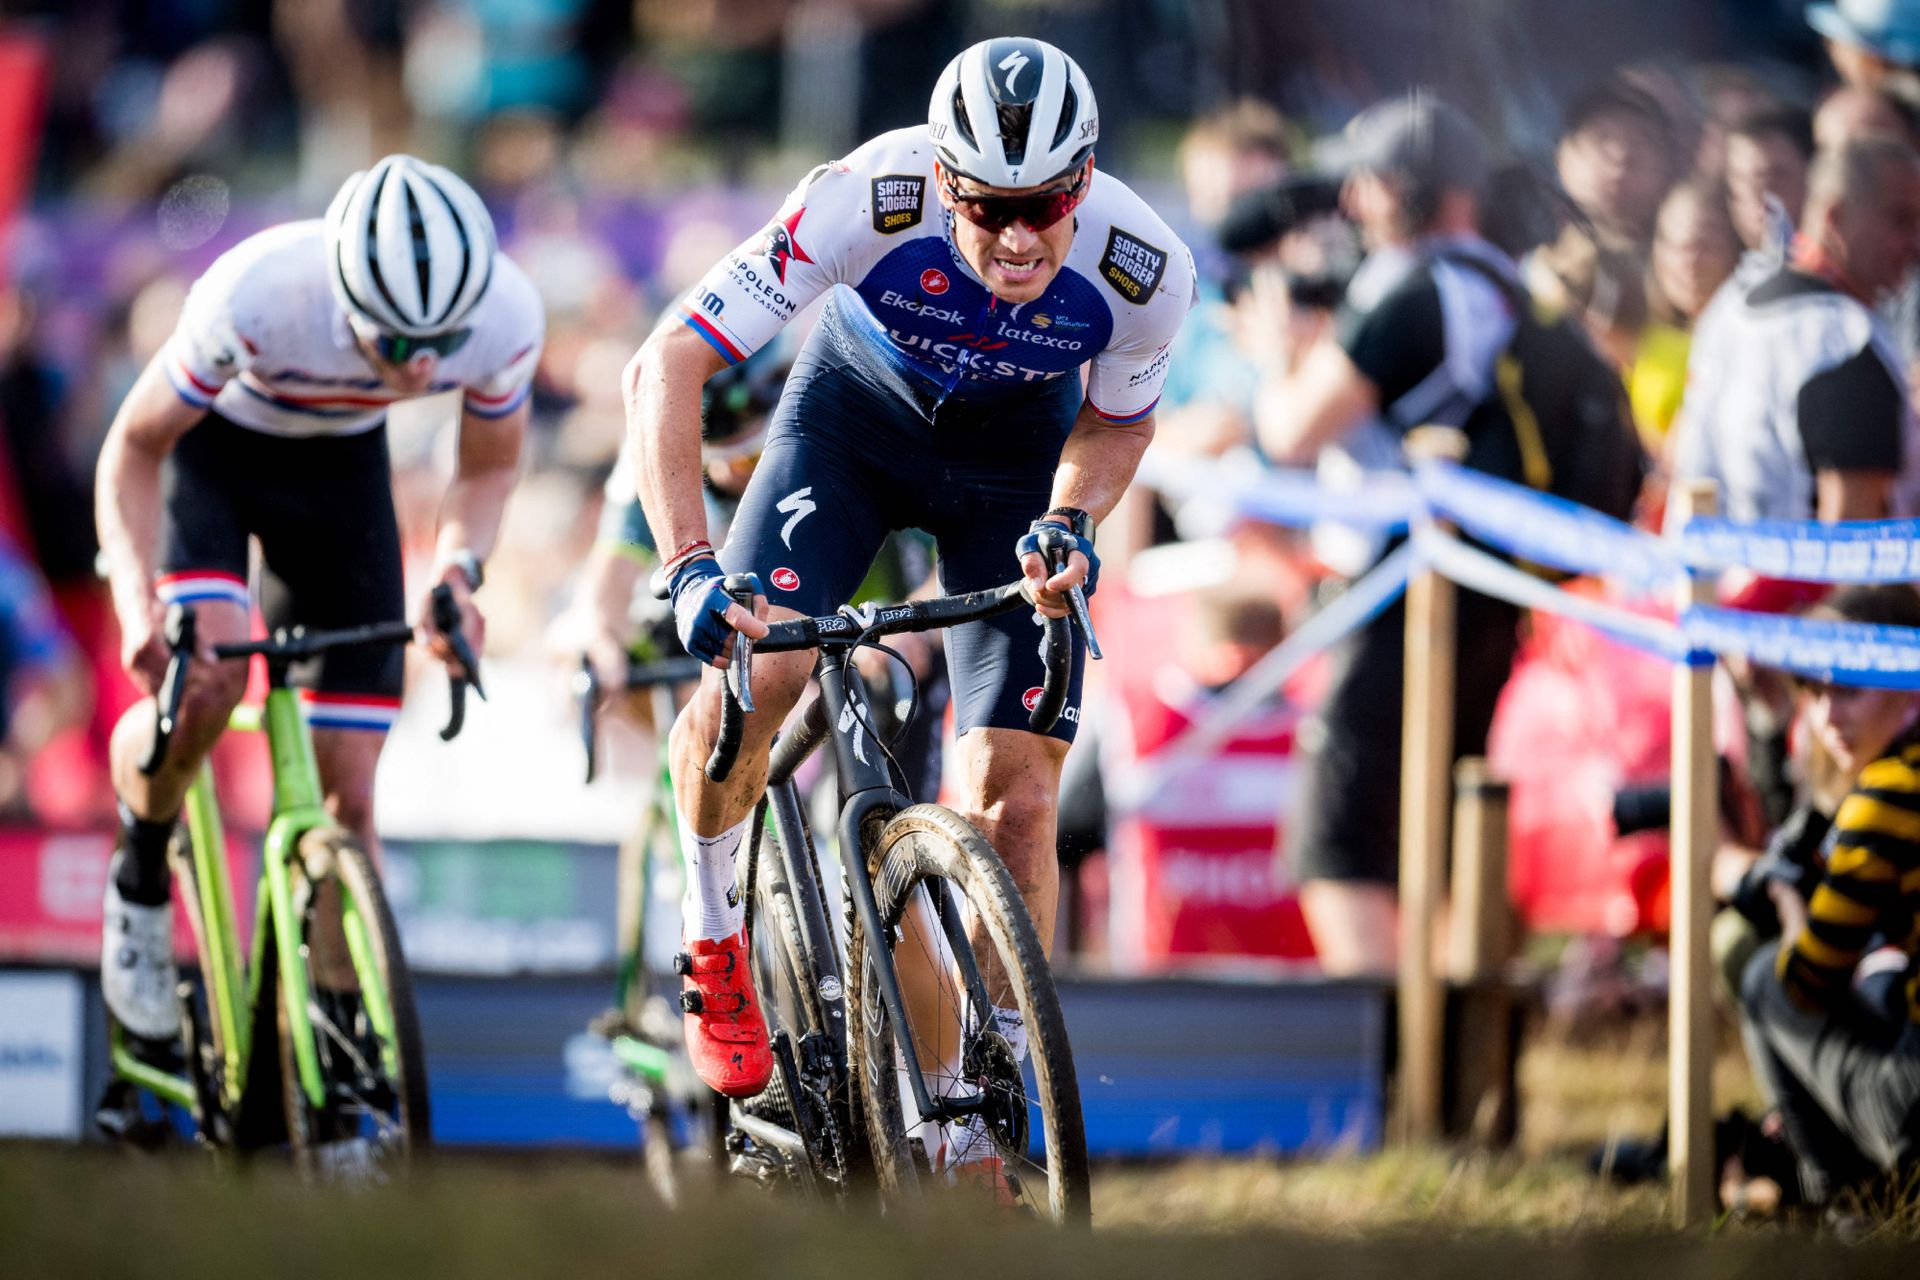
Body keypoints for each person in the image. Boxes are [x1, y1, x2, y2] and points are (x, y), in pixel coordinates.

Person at [621, 36, 1192, 1174]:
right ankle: (715, 931)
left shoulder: (1144, 263)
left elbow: (1122, 418)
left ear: (1085, 179)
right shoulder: (862, 200)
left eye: (1050, 203)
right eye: (991, 207)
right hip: (853, 427)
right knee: (759, 675)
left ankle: (978, 1086)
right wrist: (689, 565)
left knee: (1018, 804)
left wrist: (1072, 519)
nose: (1023, 237)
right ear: (942, 182)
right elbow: (668, 362)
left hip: (1015, 461)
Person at [94, 155, 544, 1041]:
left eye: (442, 345)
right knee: (210, 685)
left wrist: (458, 572)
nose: (421, 370)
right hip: (216, 456)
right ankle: (139, 873)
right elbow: (134, 449)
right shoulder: (256, 294)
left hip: (342, 476)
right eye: (396, 344)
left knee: (353, 795)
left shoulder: (505, 314)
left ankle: (342, 1043)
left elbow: (487, 471)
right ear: (346, 303)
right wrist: (135, 601)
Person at [1251, 93, 1529, 976]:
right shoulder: (1501, 279)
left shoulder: (1412, 291)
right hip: (1477, 588)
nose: (1352, 202)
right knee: (1436, 836)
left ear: (1400, 188)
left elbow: (1293, 430)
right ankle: (1447, 1055)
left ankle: (1388, 1064)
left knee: (1337, 840)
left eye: (1367, 182)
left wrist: (1272, 350)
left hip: (1402, 596)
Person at [1737, 582, 1920, 1214]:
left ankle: (1843, 1209)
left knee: (1763, 977)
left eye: (1849, 689)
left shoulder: (1889, 793)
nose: (1826, 715)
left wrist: (1789, 901)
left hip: (1913, 1105)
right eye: (1816, 691)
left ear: (1910, 685)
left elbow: (1808, 982)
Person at [1668, 134, 1920, 526]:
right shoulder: (1846, 344)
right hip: (1791, 585)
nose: (1915, 242)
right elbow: (1855, 546)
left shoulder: (1731, 302)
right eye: (1900, 220)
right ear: (1835, 217)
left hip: (1710, 576)